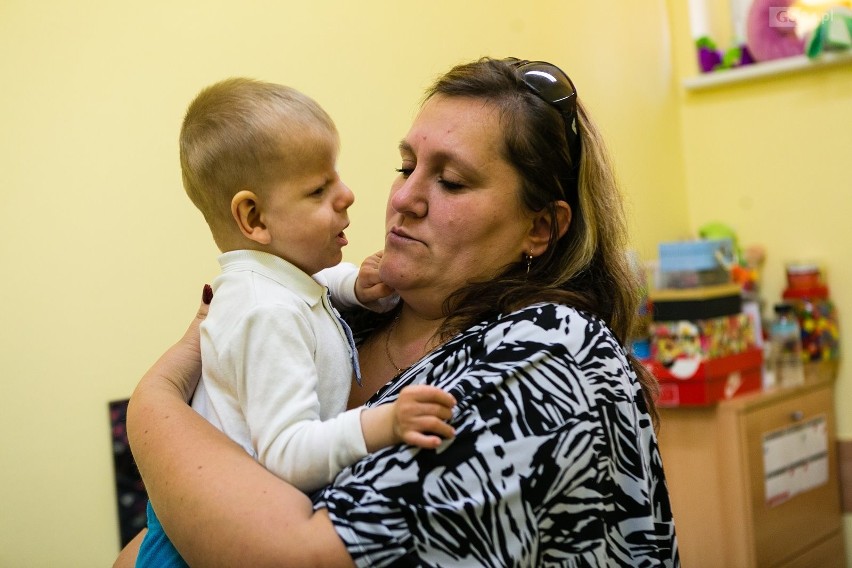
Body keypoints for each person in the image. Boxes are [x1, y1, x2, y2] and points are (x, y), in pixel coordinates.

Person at [116, 57, 679, 567]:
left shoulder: (550, 354)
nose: (404, 197)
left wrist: (154, 399)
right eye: (405, 165)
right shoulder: (344, 314)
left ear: (539, 228)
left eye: (452, 181)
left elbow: (299, 557)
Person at [135, 78, 457, 567]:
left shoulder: (274, 285)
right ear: (254, 218)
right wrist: (383, 422)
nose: (347, 195)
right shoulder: (266, 313)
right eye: (318, 189)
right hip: (199, 544)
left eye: (336, 177)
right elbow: (287, 454)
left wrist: (358, 287)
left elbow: (319, 288)